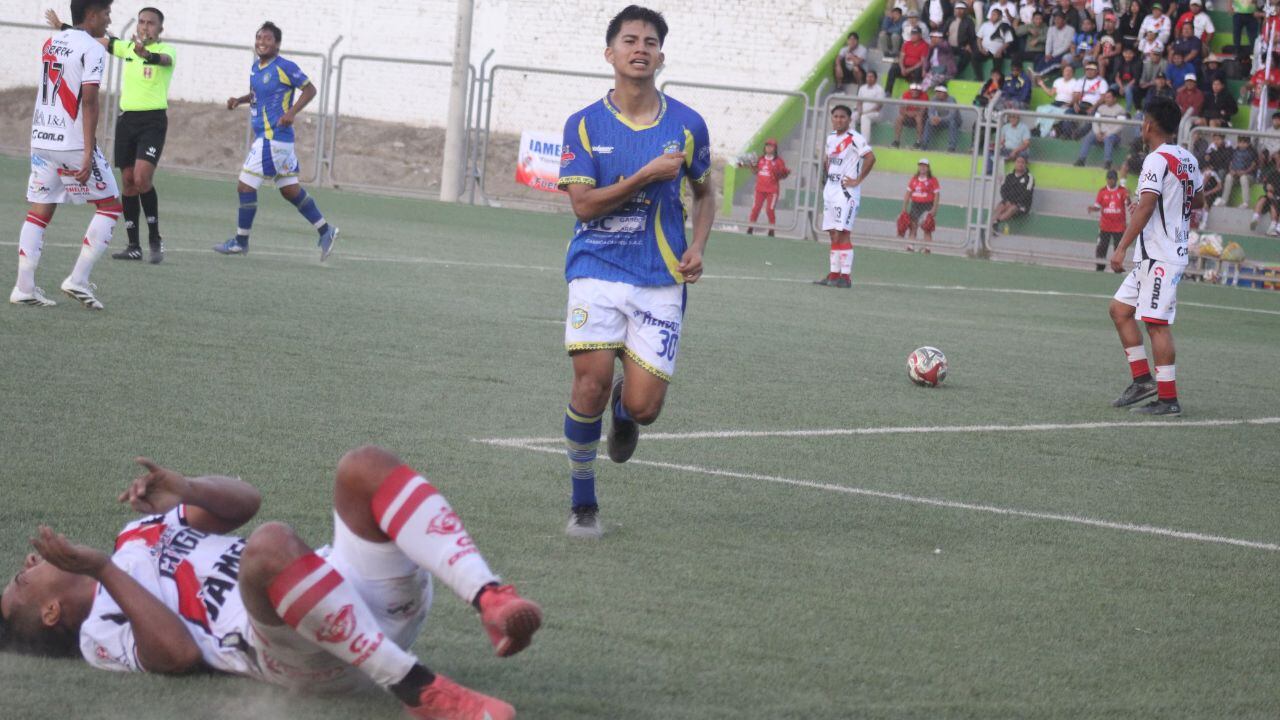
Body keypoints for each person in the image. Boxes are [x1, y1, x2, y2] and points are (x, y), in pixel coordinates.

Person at [0, 448, 543, 720]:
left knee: (362, 466)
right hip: (304, 656)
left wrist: (189, 487)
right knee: (269, 547)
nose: (25, 563)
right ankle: (417, 687)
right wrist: (101, 570)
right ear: (50, 612)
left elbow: (245, 502)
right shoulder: (99, 635)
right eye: (20, 581)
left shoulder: (134, 535)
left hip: (346, 599)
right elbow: (177, 654)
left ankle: (488, 594)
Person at [555, 6, 714, 538]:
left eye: (650, 41)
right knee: (589, 385)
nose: (640, 47)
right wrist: (645, 175)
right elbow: (583, 205)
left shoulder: (688, 124)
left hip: (661, 275)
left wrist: (698, 245)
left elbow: (705, 192)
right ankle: (583, 503)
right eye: (629, 40)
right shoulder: (583, 123)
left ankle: (625, 413)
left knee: (644, 408)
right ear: (611, 53)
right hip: (596, 268)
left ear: (661, 56)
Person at [11, 0, 121, 310]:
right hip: (71, 141)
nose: (109, 20)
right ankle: (78, 279)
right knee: (110, 205)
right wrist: (88, 153)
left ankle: (24, 287)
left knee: (40, 210)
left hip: (42, 137)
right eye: (107, 13)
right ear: (92, 14)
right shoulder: (92, 48)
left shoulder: (52, 41)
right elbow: (89, 102)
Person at [46, 5, 173, 264]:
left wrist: (145, 53)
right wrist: (62, 26)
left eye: (150, 23)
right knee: (127, 180)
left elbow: (162, 61)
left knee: (141, 177)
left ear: (160, 28)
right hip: (127, 121)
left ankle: (155, 238)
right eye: (141, 22)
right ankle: (133, 245)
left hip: (153, 122)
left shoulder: (165, 50)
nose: (145, 26)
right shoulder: (126, 47)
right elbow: (89, 37)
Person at [1107, 95, 1202, 416]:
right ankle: (1143, 380)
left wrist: (1120, 246)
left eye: (1143, 120)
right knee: (1120, 310)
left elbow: (1147, 206)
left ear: (1148, 124)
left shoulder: (1156, 159)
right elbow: (1198, 201)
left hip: (1160, 255)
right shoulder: (1187, 158)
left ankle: (1168, 399)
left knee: (1157, 325)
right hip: (1158, 254)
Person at [214, 22, 338, 259]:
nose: (262, 42)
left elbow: (310, 90)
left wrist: (291, 113)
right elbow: (256, 96)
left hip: (273, 138)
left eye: (268, 38)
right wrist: (239, 101)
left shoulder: (285, 67)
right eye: (259, 37)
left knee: (245, 186)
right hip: (274, 140)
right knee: (290, 190)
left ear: (277, 44)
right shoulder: (256, 68)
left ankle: (240, 242)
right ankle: (326, 230)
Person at [815, 105, 875, 288]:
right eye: (836, 116)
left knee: (843, 232)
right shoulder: (831, 138)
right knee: (833, 233)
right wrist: (826, 175)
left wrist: (858, 180)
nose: (839, 119)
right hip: (831, 189)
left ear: (849, 120)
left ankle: (846, 277)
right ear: (831, 118)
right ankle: (834, 274)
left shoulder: (855, 138)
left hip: (845, 191)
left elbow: (871, 158)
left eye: (843, 117)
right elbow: (828, 160)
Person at [742, 139, 789, 236]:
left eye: (771, 146)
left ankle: (771, 230)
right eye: (767, 146)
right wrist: (750, 165)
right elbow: (755, 172)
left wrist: (784, 173)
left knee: (769, 210)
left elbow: (783, 175)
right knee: (755, 208)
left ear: (775, 149)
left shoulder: (779, 161)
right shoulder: (760, 159)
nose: (768, 148)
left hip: (772, 190)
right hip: (760, 189)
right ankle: (750, 227)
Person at [1089, 168, 1130, 270]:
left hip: (1119, 227)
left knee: (1118, 248)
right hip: (1105, 226)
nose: (1110, 181)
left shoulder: (1122, 191)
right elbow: (1098, 206)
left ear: (1116, 179)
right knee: (1102, 247)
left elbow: (1127, 203)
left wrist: (1128, 198)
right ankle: (1100, 267)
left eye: (1112, 179)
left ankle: (1117, 267)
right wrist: (1093, 209)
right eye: (1109, 179)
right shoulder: (1102, 192)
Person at [1076, 88, 1128, 168]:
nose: (1106, 99)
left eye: (1109, 97)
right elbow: (1095, 122)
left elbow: (1120, 126)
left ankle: (1108, 162)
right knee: (1089, 137)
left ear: (1114, 99)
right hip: (1100, 134)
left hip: (1114, 135)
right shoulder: (1101, 108)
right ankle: (1081, 160)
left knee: (1108, 138)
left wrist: (1107, 134)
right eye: (1106, 97)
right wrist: (1097, 133)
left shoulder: (1120, 109)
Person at [903, 158, 941, 251]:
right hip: (915, 205)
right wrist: (904, 207)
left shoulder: (933, 180)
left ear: (928, 168)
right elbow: (908, 193)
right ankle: (911, 245)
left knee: (927, 227)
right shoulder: (914, 179)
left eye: (924, 166)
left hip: (927, 205)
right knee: (913, 226)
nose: (922, 167)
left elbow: (937, 195)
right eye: (921, 165)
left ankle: (927, 247)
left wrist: (934, 208)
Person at [992, 155, 1035, 233]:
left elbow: (1027, 194)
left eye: (1022, 162)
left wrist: (1014, 202)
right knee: (1001, 205)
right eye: (1018, 162)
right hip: (1009, 201)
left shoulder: (1029, 177)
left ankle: (996, 222)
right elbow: (1003, 189)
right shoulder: (1009, 176)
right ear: (1015, 163)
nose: (1020, 164)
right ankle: (990, 224)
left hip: (1022, 205)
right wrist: (1007, 200)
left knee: (1013, 208)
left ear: (1025, 164)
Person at [943, 1, 982, 79]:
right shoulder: (950, 20)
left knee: (966, 56)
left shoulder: (969, 21)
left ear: (965, 11)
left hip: (962, 46)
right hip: (950, 46)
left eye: (961, 9)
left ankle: (955, 74)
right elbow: (943, 33)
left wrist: (969, 45)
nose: (959, 11)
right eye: (957, 9)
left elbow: (972, 37)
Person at [885, 26, 930, 91]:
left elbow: (922, 62)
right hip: (905, 67)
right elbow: (901, 58)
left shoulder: (924, 45)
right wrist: (902, 68)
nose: (913, 36)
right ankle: (888, 92)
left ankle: (914, 92)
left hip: (915, 68)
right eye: (912, 34)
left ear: (920, 35)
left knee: (918, 70)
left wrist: (909, 70)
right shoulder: (906, 44)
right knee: (893, 68)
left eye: (915, 34)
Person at [919, 85, 962, 152]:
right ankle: (924, 144)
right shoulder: (934, 99)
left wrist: (940, 119)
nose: (938, 94)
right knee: (928, 121)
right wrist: (933, 118)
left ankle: (951, 147)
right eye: (937, 92)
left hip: (952, 121)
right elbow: (930, 112)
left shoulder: (951, 100)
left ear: (945, 93)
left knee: (952, 122)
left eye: (940, 92)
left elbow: (952, 115)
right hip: (938, 120)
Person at [1219, 135, 1259, 207]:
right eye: (1240, 142)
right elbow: (1231, 163)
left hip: (1249, 176)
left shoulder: (1252, 152)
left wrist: (1244, 172)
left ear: (1249, 143)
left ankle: (1246, 203)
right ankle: (1224, 200)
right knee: (1228, 177)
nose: (1242, 144)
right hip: (1236, 174)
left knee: (1243, 178)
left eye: (1244, 143)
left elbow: (1253, 166)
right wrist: (1231, 171)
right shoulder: (1235, 151)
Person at [977, 8, 1015, 75]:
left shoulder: (1004, 26)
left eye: (994, 15)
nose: (992, 16)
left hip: (998, 52)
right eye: (991, 14)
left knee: (997, 65)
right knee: (974, 57)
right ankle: (979, 77)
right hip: (985, 50)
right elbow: (979, 38)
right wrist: (980, 49)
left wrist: (1000, 50)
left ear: (1000, 17)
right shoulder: (985, 25)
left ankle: (996, 81)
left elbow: (1008, 42)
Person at [892, 82, 931, 146]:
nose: (915, 92)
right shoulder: (906, 94)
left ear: (919, 91)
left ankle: (918, 141)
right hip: (908, 116)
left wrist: (913, 113)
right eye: (913, 90)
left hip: (920, 117)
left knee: (919, 118)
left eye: (917, 90)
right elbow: (901, 110)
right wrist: (908, 113)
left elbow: (922, 112)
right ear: (910, 90)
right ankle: (896, 141)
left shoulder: (924, 95)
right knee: (899, 118)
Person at [852, 70, 887, 137]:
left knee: (865, 117)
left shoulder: (879, 89)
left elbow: (879, 106)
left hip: (876, 114)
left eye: (871, 77)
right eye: (868, 76)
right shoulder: (862, 88)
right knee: (852, 116)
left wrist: (866, 112)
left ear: (875, 79)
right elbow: (859, 102)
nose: (869, 78)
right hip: (862, 112)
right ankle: (851, 139)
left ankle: (864, 142)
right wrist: (860, 111)